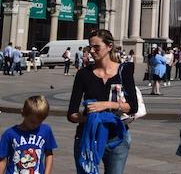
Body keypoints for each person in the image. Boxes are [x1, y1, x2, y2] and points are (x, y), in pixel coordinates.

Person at [67, 29, 138, 174]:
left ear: (109, 46)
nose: (92, 51)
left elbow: (133, 107)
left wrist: (107, 105)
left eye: (96, 47)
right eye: (89, 47)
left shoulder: (124, 71)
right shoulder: (83, 74)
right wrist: (91, 119)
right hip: (88, 137)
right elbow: (72, 113)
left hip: (116, 139)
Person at [0, 95, 57, 174]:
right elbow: (2, 160)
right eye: (32, 122)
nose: (35, 125)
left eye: (39, 122)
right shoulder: (9, 134)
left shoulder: (46, 131)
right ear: (23, 113)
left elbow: (49, 154)